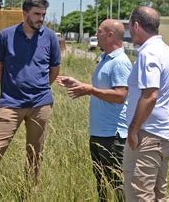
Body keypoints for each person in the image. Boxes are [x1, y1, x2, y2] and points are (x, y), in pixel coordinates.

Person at [0, 0, 61, 200]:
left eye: (43, 14)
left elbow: (54, 69)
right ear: (24, 13)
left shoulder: (50, 37)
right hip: (10, 104)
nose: (40, 18)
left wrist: (40, 88)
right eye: (36, 14)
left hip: (40, 104)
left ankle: (28, 194)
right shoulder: (6, 36)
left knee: (35, 153)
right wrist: (12, 87)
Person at [56, 19, 132, 201]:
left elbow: (121, 95)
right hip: (100, 133)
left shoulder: (120, 62)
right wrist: (80, 85)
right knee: (102, 186)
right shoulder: (105, 59)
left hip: (112, 136)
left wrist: (89, 90)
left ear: (110, 35)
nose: (95, 35)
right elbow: (105, 90)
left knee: (117, 184)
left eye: (99, 32)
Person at [123, 6, 169, 201]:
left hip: (148, 136)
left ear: (136, 25)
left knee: (139, 193)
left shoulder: (148, 53)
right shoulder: (167, 51)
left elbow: (150, 95)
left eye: (130, 26)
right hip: (164, 133)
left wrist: (133, 130)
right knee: (158, 193)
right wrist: (166, 107)